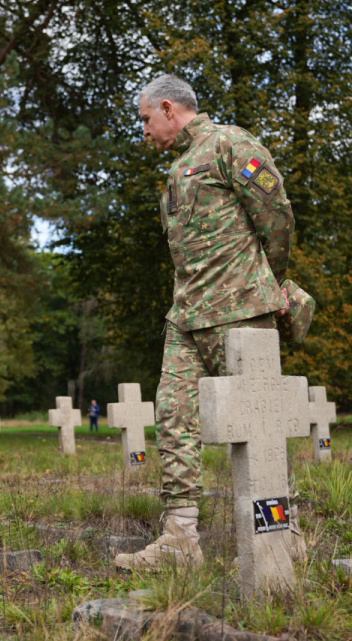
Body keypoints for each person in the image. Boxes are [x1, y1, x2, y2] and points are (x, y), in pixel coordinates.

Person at [114, 74, 299, 571]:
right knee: (173, 415)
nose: (145, 130)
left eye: (146, 119)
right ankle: (181, 540)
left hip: (240, 311)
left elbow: (276, 214)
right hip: (187, 316)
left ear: (169, 109)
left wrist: (271, 283)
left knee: (262, 424)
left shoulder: (230, 144)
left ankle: (284, 532)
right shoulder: (178, 168)